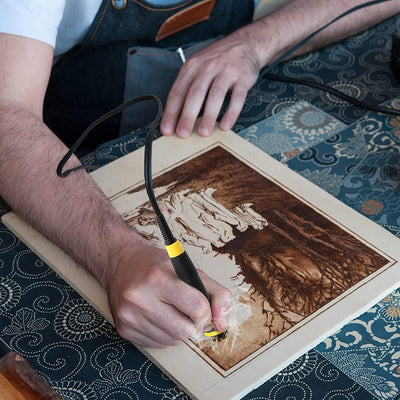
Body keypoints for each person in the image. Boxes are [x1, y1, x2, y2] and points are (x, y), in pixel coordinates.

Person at [0, 0, 398, 348]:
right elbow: (6, 114)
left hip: (213, 124)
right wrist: (116, 254)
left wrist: (255, 43)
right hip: (64, 156)